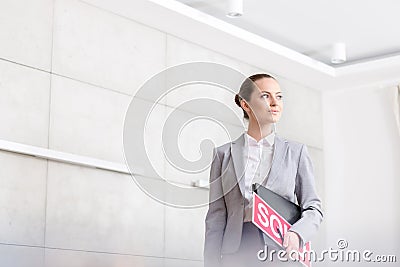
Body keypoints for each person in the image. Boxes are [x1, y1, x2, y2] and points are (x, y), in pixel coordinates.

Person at [203, 73, 323, 267]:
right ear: (245, 104)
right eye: (266, 96)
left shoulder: (296, 153)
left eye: (279, 96)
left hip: (281, 249)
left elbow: (313, 208)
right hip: (236, 253)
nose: (275, 103)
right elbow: (215, 218)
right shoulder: (223, 155)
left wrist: (297, 234)